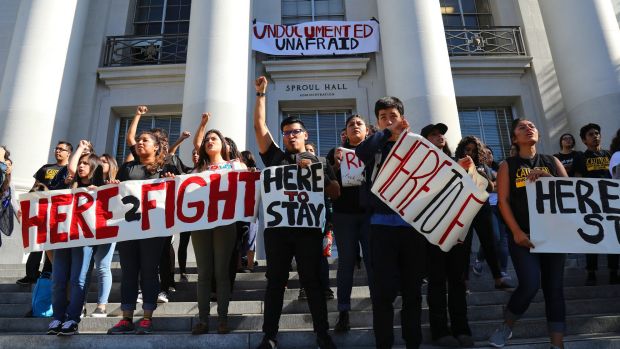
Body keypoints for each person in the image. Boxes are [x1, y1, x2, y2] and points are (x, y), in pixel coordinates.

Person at [253, 76, 339, 349]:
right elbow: (259, 126)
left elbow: (335, 192)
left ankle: (322, 334)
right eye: (287, 132)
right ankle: (270, 336)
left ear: (305, 135)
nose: (291, 135)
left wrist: (315, 175)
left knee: (312, 283)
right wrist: (261, 95)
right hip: (278, 233)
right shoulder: (275, 157)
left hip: (308, 232)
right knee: (275, 284)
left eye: (295, 131)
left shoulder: (320, 161)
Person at [488, 118, 568, 348]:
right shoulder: (507, 165)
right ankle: (507, 326)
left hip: (554, 235)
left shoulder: (551, 161)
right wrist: (516, 232)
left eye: (532, 125)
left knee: (554, 288)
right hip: (523, 236)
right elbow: (502, 201)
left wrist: (549, 179)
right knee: (530, 284)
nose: (528, 128)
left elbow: (569, 194)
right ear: (515, 138)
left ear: (538, 135)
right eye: (522, 127)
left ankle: (557, 344)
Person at [355, 97, 426, 349]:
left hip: (412, 229)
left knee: (412, 293)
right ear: (377, 122)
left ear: (403, 117)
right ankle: (384, 344)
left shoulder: (417, 146)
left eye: (393, 115)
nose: (389, 120)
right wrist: (386, 133)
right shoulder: (375, 147)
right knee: (383, 293)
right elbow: (359, 152)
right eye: (383, 116)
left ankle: (413, 343)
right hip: (380, 229)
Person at [107, 130, 181, 335]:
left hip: (153, 228)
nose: (140, 143)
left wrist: (172, 180)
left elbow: (178, 193)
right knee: (129, 271)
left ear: (156, 146)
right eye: (138, 140)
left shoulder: (167, 167)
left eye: (145, 140)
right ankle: (126, 318)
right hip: (128, 227)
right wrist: (113, 186)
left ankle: (147, 317)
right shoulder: (127, 168)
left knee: (149, 270)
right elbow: (117, 192)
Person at [190, 113, 246, 335]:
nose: (209, 141)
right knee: (204, 272)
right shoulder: (196, 171)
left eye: (214, 138)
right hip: (200, 223)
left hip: (225, 223)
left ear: (224, 144)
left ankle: (223, 318)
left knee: (222, 271)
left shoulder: (236, 166)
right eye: (207, 140)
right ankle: (203, 320)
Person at [420, 123, 474, 347]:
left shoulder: (459, 162)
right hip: (432, 231)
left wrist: (469, 172)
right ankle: (440, 330)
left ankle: (461, 328)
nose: (439, 136)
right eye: (433, 134)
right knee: (437, 281)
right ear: (425, 140)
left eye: (441, 133)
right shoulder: (420, 165)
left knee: (458, 281)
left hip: (458, 230)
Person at [47, 144, 104, 336]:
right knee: (58, 279)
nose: (81, 166)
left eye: (86, 164)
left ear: (94, 167)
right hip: (63, 238)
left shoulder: (99, 189)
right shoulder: (68, 186)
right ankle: (57, 317)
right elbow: (70, 169)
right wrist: (80, 148)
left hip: (84, 240)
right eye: (80, 163)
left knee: (78, 279)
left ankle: (72, 318)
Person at [329, 115, 373, 333]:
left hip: (370, 215)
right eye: (351, 124)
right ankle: (343, 311)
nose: (355, 126)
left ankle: (380, 307)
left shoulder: (376, 152)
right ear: (345, 133)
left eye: (359, 124)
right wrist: (335, 165)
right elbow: (328, 185)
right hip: (344, 215)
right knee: (346, 261)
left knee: (373, 261)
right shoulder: (335, 153)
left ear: (367, 131)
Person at [455, 136, 512, 290]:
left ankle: (498, 278)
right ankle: (464, 281)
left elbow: (490, 188)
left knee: (490, 242)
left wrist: (481, 174)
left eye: (474, 151)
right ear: (462, 150)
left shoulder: (483, 167)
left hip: (482, 209)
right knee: (464, 246)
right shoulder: (456, 164)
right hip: (464, 209)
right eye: (468, 150)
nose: (470, 153)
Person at [17, 141, 73, 285]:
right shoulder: (45, 168)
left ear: (69, 153)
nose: (58, 151)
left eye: (62, 149)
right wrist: (23, 206)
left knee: (52, 243)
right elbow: (35, 188)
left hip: (58, 212)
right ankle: (31, 274)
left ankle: (48, 272)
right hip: (41, 210)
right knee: (37, 241)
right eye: (57, 148)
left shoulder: (71, 170)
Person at [573, 123, 618, 285]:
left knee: (613, 236)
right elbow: (577, 178)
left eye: (597, 133)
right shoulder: (581, 157)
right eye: (591, 134)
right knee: (593, 238)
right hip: (591, 204)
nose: (595, 136)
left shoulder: (610, 155)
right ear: (584, 141)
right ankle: (591, 272)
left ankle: (614, 271)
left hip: (612, 202)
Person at [82, 153, 119, 318]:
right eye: (99, 162)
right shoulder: (88, 184)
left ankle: (101, 306)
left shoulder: (117, 184)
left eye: (104, 161)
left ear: (111, 165)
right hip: (88, 230)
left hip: (107, 230)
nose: (101, 164)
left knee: (103, 266)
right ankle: (80, 305)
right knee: (86, 268)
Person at [177, 148, 200, 283]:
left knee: (202, 244)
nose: (196, 156)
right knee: (183, 243)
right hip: (187, 213)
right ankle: (183, 272)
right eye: (193, 153)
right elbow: (172, 156)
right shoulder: (187, 171)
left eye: (198, 153)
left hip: (203, 214)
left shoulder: (208, 170)